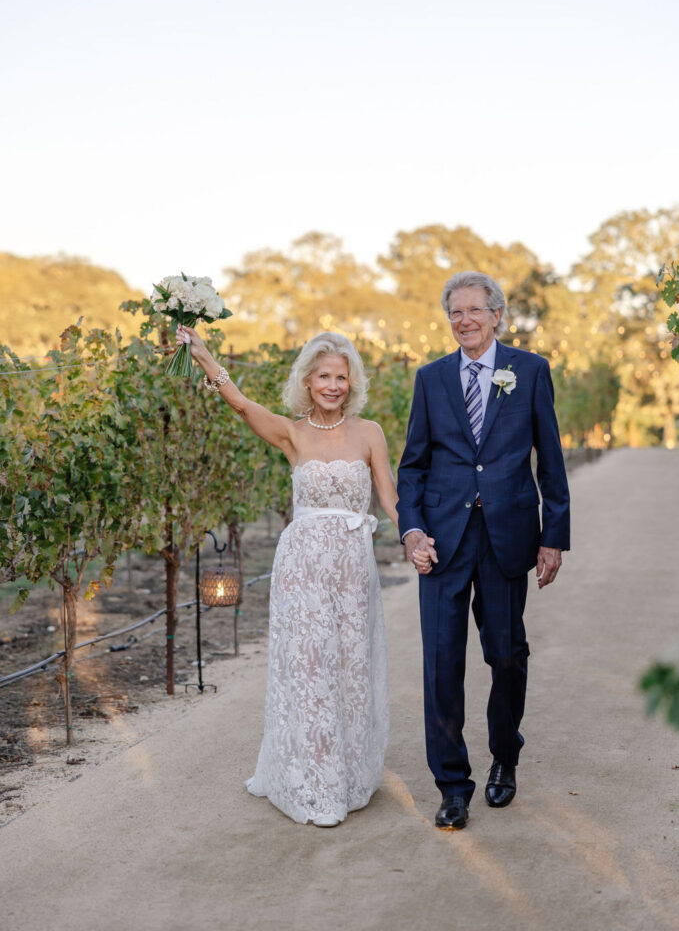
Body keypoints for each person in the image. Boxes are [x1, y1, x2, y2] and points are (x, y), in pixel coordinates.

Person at [176, 326, 418, 827]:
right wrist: (203, 358)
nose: (334, 385)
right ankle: (318, 785)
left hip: (353, 568)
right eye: (324, 376)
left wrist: (413, 536)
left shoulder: (369, 432)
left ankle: (349, 773)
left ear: (352, 384)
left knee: (350, 666)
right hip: (303, 566)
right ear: (307, 381)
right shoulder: (292, 431)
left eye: (342, 378)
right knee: (310, 666)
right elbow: (241, 404)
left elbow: (391, 498)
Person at [397, 271, 570, 831]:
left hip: (507, 537)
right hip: (442, 544)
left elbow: (550, 458)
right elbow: (413, 467)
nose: (464, 321)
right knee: (442, 664)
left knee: (506, 653)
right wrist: (412, 530)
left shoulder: (530, 370)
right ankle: (452, 784)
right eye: (455, 313)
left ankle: (505, 753)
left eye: (474, 310)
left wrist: (553, 534)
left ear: (497, 315)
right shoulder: (430, 379)